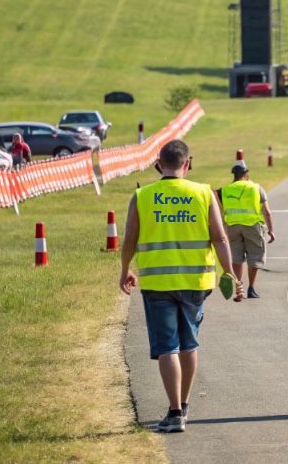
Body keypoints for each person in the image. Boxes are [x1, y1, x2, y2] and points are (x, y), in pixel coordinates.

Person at [119, 139, 242, 433]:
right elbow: (221, 239)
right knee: (189, 344)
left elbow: (130, 240)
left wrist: (125, 270)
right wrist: (232, 275)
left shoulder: (142, 196)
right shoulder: (204, 193)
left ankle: (174, 412)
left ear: (159, 164)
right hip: (196, 282)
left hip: (158, 283)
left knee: (167, 347)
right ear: (187, 163)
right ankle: (183, 404)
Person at [218, 160, 276, 299]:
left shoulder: (224, 190)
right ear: (246, 174)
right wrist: (271, 230)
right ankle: (251, 288)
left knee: (237, 258)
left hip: (232, 227)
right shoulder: (256, 188)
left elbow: (219, 212)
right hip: (253, 227)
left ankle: (239, 288)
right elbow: (267, 211)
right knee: (255, 257)